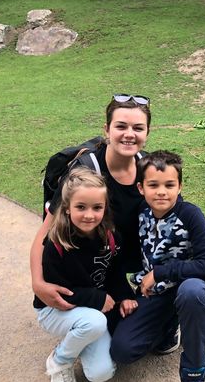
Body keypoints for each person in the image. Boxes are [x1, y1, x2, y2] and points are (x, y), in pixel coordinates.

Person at [110, 151, 205, 382]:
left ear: (179, 186)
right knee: (123, 350)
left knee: (192, 294)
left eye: (169, 185)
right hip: (157, 292)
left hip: (193, 284)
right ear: (141, 188)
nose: (162, 192)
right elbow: (122, 255)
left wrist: (161, 272)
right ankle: (172, 324)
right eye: (153, 185)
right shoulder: (141, 213)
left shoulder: (190, 214)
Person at [31, 94, 152, 313]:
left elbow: (174, 216)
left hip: (133, 259)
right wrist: (38, 284)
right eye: (121, 126)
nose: (129, 134)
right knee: (105, 327)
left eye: (138, 128)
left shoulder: (148, 165)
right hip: (97, 264)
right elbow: (45, 233)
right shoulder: (85, 171)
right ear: (107, 129)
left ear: (147, 132)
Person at [34, 167, 138, 382]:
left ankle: (79, 338)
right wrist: (97, 299)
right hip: (54, 309)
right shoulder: (56, 244)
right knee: (95, 322)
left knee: (102, 373)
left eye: (97, 207)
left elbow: (115, 273)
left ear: (105, 208)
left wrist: (124, 296)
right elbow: (58, 294)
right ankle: (60, 360)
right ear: (67, 208)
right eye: (81, 207)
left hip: (90, 311)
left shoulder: (111, 237)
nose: (89, 215)